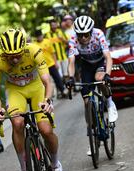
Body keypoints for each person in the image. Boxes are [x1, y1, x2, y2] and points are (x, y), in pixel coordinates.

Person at [0, 28, 67, 171]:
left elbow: (47, 82)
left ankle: (56, 166)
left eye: (18, 55)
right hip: (15, 90)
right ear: (3, 53)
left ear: (24, 48)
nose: (15, 60)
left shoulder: (34, 50)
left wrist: (47, 101)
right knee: (17, 123)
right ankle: (24, 170)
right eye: (11, 57)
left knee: (45, 130)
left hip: (36, 87)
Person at [65, 16, 119, 155]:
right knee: (87, 101)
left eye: (86, 34)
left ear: (91, 31)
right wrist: (70, 77)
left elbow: (108, 57)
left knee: (99, 78)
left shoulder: (98, 34)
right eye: (80, 35)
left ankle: (109, 103)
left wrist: (108, 73)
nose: (83, 38)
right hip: (86, 65)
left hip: (100, 62)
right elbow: (71, 61)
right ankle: (92, 135)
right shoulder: (73, 38)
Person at [33, 29, 65, 99]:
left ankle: (63, 91)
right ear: (36, 37)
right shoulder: (34, 45)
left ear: (42, 35)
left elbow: (53, 52)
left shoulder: (47, 41)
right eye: (37, 36)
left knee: (57, 78)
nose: (39, 37)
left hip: (51, 64)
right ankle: (48, 96)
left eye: (40, 36)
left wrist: (56, 62)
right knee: (45, 81)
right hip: (42, 66)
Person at [45, 19, 70, 97]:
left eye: (54, 24)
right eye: (52, 25)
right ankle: (61, 91)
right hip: (55, 59)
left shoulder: (61, 32)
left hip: (63, 56)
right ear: (50, 26)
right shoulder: (47, 35)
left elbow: (68, 42)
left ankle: (68, 90)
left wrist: (62, 39)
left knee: (66, 74)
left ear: (56, 24)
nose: (53, 26)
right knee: (59, 76)